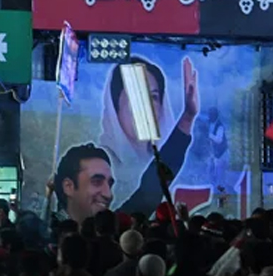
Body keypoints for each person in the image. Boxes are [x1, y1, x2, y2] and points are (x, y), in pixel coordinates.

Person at [98, 56, 199, 214]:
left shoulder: (159, 156)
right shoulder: (100, 160)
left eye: (153, 97)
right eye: (136, 96)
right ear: (115, 104)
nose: (146, 106)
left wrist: (188, 116)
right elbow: (147, 196)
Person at [53, 143, 114, 224]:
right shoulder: (42, 232)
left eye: (110, 184)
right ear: (68, 186)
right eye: (97, 182)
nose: (108, 194)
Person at [207, 107, 229, 190]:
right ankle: (211, 187)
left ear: (215, 115)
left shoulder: (220, 126)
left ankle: (219, 189)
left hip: (222, 153)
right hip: (213, 152)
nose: (210, 116)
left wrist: (209, 135)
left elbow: (219, 140)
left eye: (211, 114)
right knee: (209, 169)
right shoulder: (208, 123)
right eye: (209, 114)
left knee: (219, 172)